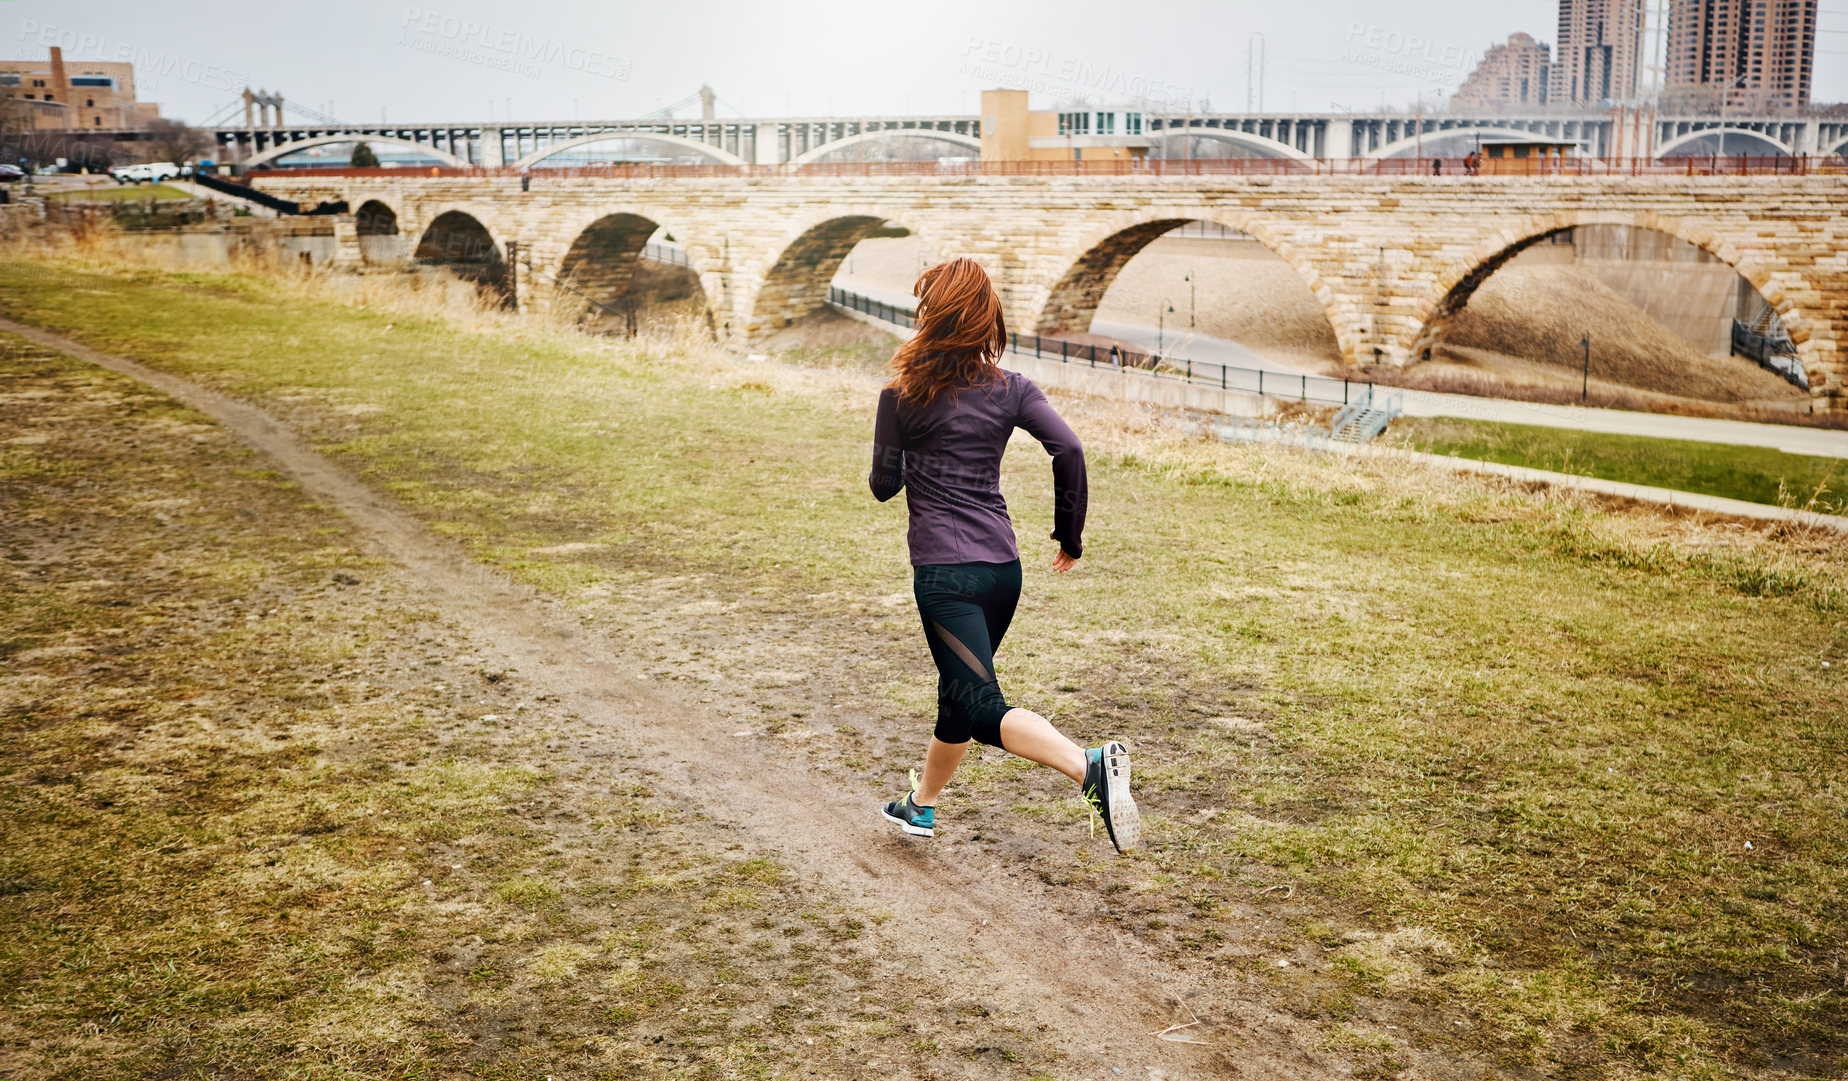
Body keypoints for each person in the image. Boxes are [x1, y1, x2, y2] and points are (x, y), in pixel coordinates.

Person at [869, 257, 1139, 854]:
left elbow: (884, 486)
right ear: (986, 318)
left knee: (980, 702)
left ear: (929, 317)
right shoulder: (1013, 388)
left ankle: (1087, 766)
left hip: (945, 577)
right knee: (958, 693)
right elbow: (1067, 447)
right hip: (1002, 572)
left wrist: (915, 452)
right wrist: (1069, 535)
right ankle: (921, 807)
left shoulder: (900, 396)